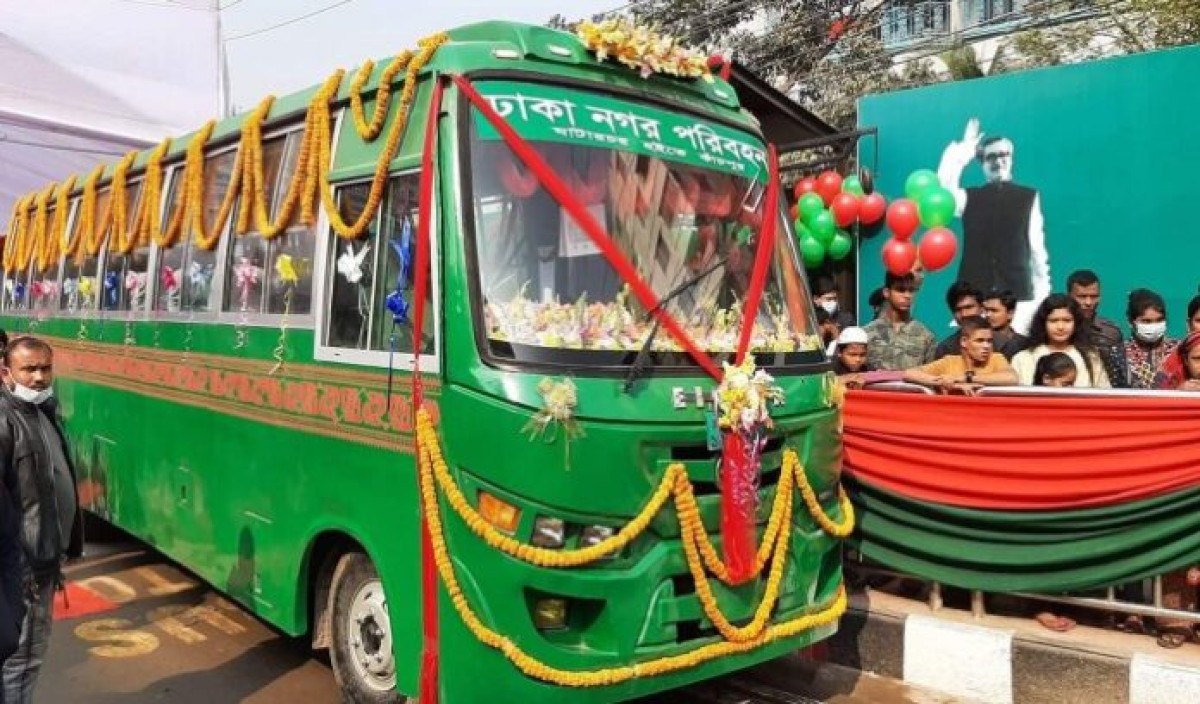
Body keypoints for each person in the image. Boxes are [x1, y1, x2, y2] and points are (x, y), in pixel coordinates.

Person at [0, 337, 83, 703]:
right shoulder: (5, 420)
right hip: (26, 567)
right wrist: (20, 566)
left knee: (29, 658)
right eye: (28, 369)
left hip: (43, 560)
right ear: (6, 373)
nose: (38, 377)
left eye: (44, 368)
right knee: (22, 660)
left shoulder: (42, 411)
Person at [938, 120, 1050, 332]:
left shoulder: (1028, 196)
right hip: (975, 297)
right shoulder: (969, 197)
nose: (998, 161)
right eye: (991, 157)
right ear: (981, 162)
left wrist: (1042, 296)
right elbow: (944, 192)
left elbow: (1037, 249)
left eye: (1003, 155)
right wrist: (964, 150)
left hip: (1019, 299)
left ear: (1011, 158)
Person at [1010, 294, 1111, 388]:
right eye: (1053, 321)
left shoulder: (1091, 357)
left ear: (1076, 323)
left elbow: (1105, 396)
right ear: (1042, 323)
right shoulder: (1022, 359)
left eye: (1067, 320)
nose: (1060, 327)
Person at [903, 316, 1017, 395]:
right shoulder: (949, 361)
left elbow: (1012, 378)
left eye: (989, 341)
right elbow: (909, 374)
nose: (986, 346)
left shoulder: (996, 358)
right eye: (980, 341)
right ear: (964, 341)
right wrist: (945, 382)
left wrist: (965, 378)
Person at [863, 272, 936, 371]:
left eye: (911, 291)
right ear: (887, 292)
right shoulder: (867, 333)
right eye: (900, 290)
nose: (907, 296)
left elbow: (931, 376)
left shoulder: (926, 336)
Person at [1067, 269, 1127, 387]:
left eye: (1094, 296)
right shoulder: (1058, 329)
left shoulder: (1111, 333)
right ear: (1069, 296)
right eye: (1082, 296)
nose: (1088, 302)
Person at [1122, 289, 1178, 389]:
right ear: (1131, 321)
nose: (1154, 326)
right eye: (1146, 321)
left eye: (1159, 320)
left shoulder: (1178, 349)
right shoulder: (1119, 352)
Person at [932, 281, 983, 359]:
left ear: (981, 308)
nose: (964, 314)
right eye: (958, 310)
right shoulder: (945, 349)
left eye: (969, 307)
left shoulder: (1002, 345)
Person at [981, 289, 1028, 359]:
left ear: (1010, 313)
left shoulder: (1025, 345)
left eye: (994, 310)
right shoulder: (979, 341)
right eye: (986, 310)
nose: (988, 315)